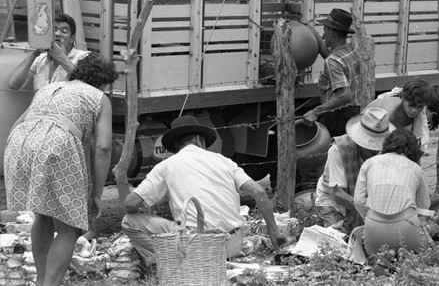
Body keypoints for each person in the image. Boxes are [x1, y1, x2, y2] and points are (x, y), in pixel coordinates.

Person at [4, 53, 118, 286]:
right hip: (58, 144)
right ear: (103, 83)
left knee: (43, 216)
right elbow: (104, 148)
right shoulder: (98, 97)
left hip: (19, 142)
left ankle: (42, 280)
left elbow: (18, 124)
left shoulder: (50, 88)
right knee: (71, 227)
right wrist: (96, 193)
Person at [122, 115, 287, 266]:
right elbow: (259, 192)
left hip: (200, 247)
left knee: (129, 221)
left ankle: (173, 258)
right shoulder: (224, 161)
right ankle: (184, 257)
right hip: (233, 244)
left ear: (176, 144)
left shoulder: (167, 166)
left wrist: (147, 205)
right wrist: (273, 232)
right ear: (199, 139)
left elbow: (130, 204)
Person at [315, 107, 393, 235]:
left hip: (363, 202)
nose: (375, 150)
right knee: (339, 240)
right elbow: (339, 195)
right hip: (332, 201)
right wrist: (371, 212)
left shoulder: (386, 152)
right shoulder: (338, 150)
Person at [354, 129, 431, 257]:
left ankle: (382, 258)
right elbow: (424, 206)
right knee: (419, 256)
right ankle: (404, 255)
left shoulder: (369, 163)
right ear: (413, 148)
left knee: (373, 254)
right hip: (407, 229)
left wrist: (370, 218)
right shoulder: (417, 170)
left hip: (374, 230)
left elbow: (358, 200)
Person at [303, 8, 362, 137]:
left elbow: (345, 96)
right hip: (356, 112)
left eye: (324, 31)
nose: (323, 35)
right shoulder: (351, 51)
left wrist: (316, 111)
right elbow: (333, 59)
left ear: (332, 33)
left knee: (335, 151)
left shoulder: (333, 61)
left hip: (339, 116)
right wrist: (312, 31)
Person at [9, 13, 89, 91]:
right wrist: (34, 54)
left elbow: (86, 87)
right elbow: (13, 84)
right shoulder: (40, 59)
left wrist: (61, 58)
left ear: (72, 38)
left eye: (64, 31)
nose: (57, 34)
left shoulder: (84, 57)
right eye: (54, 30)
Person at [363, 78, 434, 150]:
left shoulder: (419, 114)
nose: (414, 110)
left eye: (419, 107)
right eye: (410, 105)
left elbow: (416, 144)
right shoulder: (389, 112)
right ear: (403, 98)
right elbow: (375, 143)